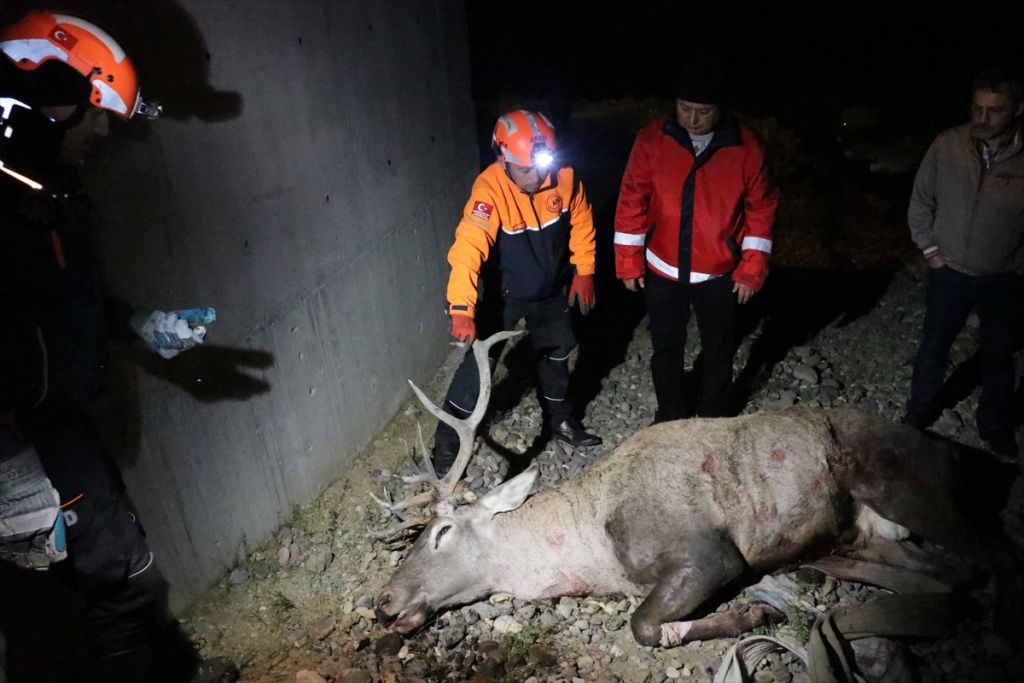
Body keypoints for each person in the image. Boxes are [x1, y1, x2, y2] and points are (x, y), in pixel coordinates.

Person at [0, 11, 235, 683]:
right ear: (48, 106)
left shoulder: (44, 198)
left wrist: (139, 323)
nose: (102, 133)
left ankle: (173, 670)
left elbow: (56, 304)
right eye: (95, 116)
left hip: (57, 426)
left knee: (126, 564)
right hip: (20, 441)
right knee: (117, 580)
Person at [431, 109, 602, 475]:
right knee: (478, 367)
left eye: (542, 166)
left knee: (558, 355)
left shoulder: (565, 178)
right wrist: (461, 305)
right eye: (525, 169)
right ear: (503, 158)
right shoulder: (489, 189)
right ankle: (447, 441)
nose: (537, 176)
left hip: (551, 291)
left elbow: (583, 221)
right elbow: (468, 247)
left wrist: (584, 271)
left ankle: (562, 422)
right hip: (505, 293)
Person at [613, 54, 778, 423]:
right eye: (684, 108)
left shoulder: (747, 148)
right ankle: (670, 417)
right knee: (666, 348)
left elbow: (761, 210)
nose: (692, 119)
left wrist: (751, 269)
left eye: (702, 111)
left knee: (719, 350)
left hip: (718, 274)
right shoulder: (654, 138)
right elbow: (632, 198)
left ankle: (715, 417)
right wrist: (628, 261)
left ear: (721, 108)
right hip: (663, 269)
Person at [905, 66, 1024, 462]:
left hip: (1003, 278)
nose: (982, 119)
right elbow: (921, 201)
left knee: (999, 357)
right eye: (977, 108)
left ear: (1017, 109)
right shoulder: (948, 145)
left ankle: (995, 430)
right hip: (950, 271)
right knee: (933, 347)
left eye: (994, 110)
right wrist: (930, 251)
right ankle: (917, 415)